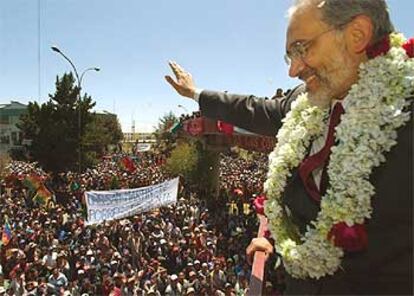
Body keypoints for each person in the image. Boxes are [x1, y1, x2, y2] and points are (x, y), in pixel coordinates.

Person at [165, 0, 413, 294]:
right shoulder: (305, 99)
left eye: (302, 48)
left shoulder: (405, 110)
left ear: (357, 34)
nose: (293, 70)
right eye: (289, 56)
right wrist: (195, 93)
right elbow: (253, 110)